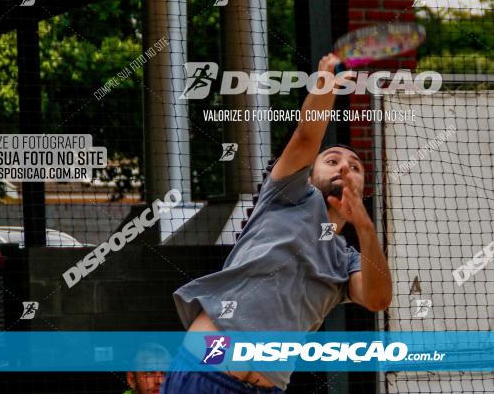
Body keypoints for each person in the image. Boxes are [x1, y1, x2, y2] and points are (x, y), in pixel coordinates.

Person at [163, 53, 393, 393]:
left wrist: (366, 228)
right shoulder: (287, 195)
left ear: (361, 188)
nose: (344, 167)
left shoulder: (347, 261)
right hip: (205, 372)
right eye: (332, 160)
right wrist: (325, 82)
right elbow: (305, 137)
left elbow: (377, 299)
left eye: (355, 166)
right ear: (311, 175)